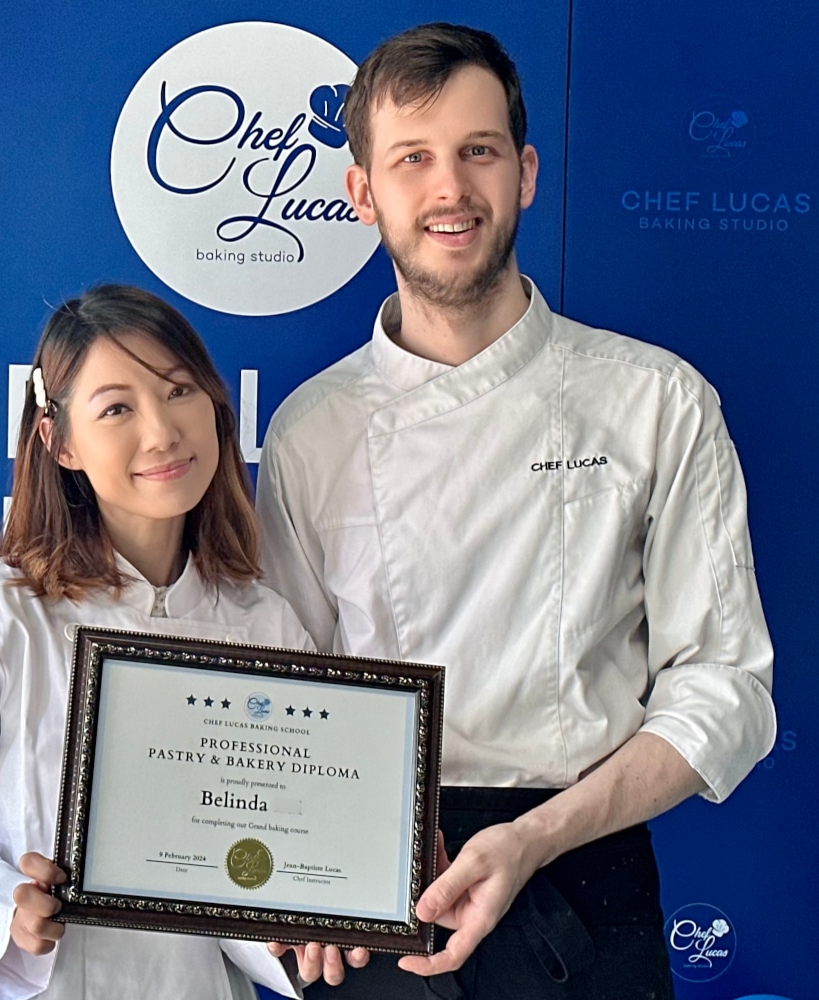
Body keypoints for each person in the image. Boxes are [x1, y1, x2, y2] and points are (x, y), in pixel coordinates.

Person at [257, 23, 775, 1000]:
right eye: (412, 158)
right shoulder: (308, 433)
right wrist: (295, 871)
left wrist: (535, 835)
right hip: (375, 899)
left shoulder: (654, 400)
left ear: (525, 171)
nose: (448, 189)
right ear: (362, 192)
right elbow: (288, 700)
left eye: (477, 152)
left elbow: (725, 685)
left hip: (584, 876)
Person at [0, 285, 317, 1000]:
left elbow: (267, 854)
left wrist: (302, 921)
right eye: (117, 409)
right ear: (60, 441)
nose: (163, 432)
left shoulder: (267, 627)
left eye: (178, 391)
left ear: (217, 406)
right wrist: (6, 905)